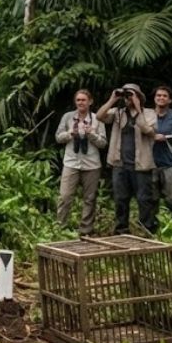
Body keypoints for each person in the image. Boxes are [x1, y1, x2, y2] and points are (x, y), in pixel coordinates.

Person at [97, 83, 157, 235]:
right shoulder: (118, 113)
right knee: (120, 199)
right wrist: (113, 99)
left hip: (141, 164)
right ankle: (121, 230)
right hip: (120, 164)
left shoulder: (149, 113)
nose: (127, 98)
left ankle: (146, 230)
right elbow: (99, 116)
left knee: (144, 199)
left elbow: (148, 131)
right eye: (126, 96)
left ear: (139, 97)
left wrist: (137, 108)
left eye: (130, 95)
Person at [54, 89, 108, 235]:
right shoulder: (68, 117)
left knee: (90, 198)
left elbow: (103, 143)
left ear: (90, 102)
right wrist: (70, 133)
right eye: (78, 100)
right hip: (71, 162)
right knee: (65, 196)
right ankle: (60, 227)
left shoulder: (97, 118)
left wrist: (91, 134)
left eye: (83, 100)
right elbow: (58, 137)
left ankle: (86, 230)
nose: (80, 102)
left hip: (91, 164)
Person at [149, 85, 172, 224]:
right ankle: (152, 228)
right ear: (154, 98)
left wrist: (167, 138)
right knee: (151, 199)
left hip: (171, 163)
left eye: (164, 96)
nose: (161, 98)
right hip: (150, 163)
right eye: (158, 95)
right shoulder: (147, 115)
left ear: (170, 100)